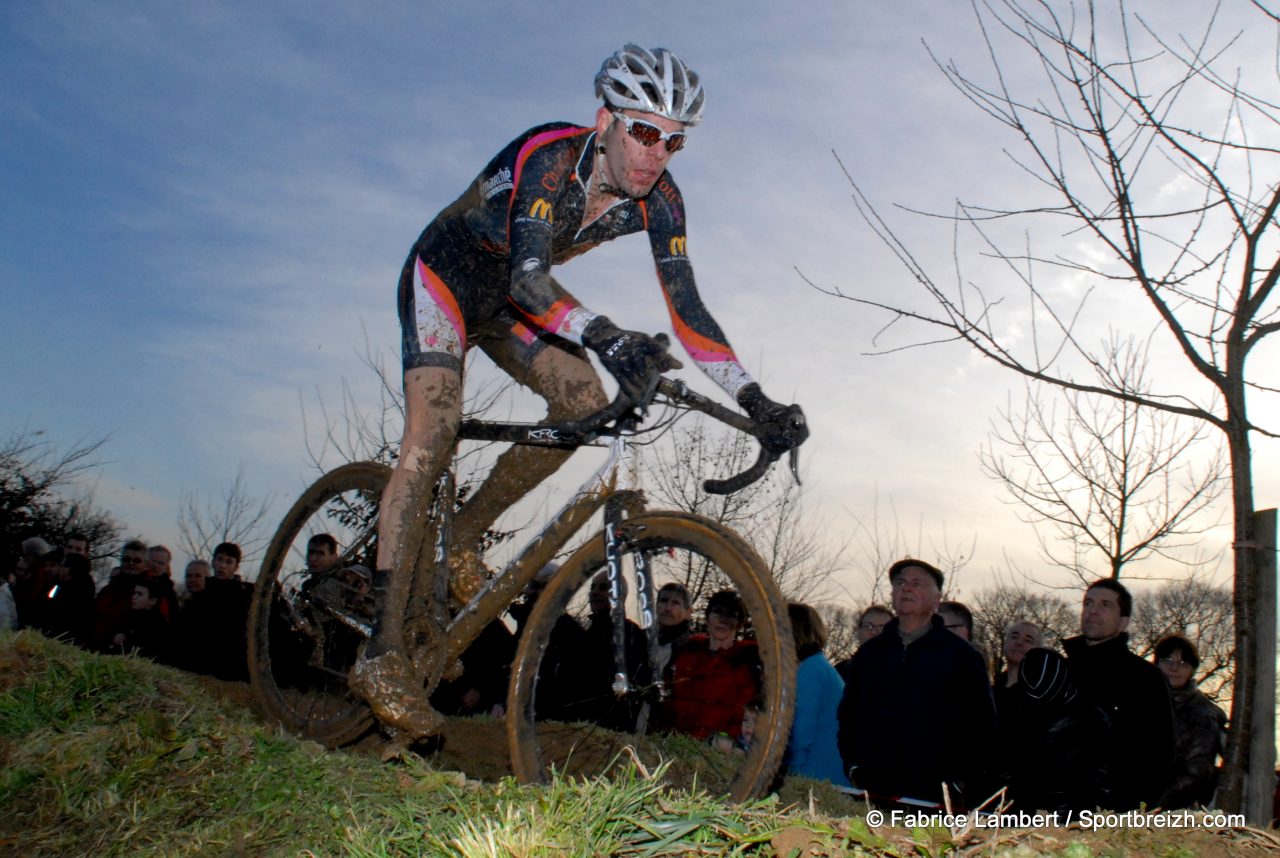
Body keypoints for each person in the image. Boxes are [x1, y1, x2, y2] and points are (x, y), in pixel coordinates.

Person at [348, 43, 808, 737]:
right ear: (606, 120)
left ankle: (462, 541)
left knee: (585, 405)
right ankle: (379, 652)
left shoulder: (661, 202)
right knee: (433, 434)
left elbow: (690, 312)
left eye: (675, 141)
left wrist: (755, 399)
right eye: (645, 132)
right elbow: (532, 277)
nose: (658, 154)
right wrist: (608, 334)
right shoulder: (549, 158)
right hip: (445, 282)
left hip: (509, 308)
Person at [836, 559, 996, 808]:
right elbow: (849, 715)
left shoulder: (962, 657)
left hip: (935, 797)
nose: (906, 588)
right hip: (875, 792)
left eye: (916, 583)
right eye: (900, 583)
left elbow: (982, 725)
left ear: (936, 600)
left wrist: (959, 782)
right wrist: (854, 766)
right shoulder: (869, 655)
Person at [1062, 578, 1174, 811]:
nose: (1093, 611)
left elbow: (1159, 756)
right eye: (1088, 603)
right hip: (1049, 812)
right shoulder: (1060, 672)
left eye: (1105, 605)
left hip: (1112, 814)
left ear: (1124, 622)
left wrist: (1127, 813)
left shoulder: (1146, 678)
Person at [1006, 647, 1114, 814]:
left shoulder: (1090, 718)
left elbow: (1100, 778)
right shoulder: (1014, 706)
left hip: (1073, 814)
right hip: (1023, 810)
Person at [663, 590, 761, 740]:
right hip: (677, 742)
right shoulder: (688, 651)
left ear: (739, 624)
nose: (722, 620)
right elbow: (673, 698)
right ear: (708, 617)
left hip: (718, 750)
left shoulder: (745, 663)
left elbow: (743, 714)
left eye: (730, 615)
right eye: (718, 612)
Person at [1154, 634, 1227, 809]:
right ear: (1156, 663)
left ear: (1192, 670)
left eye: (1183, 663)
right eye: (1168, 660)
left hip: (1176, 811)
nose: (1174, 667)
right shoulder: (1142, 703)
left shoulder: (1203, 714)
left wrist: (1153, 806)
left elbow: (1197, 774)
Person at [783, 602, 849, 786]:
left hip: (818, 777)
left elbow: (801, 733)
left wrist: (789, 776)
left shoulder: (811, 671)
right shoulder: (815, 667)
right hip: (820, 773)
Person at [834, 604, 891, 682]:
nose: (874, 632)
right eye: (867, 626)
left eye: (882, 627)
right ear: (858, 631)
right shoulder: (841, 672)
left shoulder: (907, 672)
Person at [655, 581, 692, 678]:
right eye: (664, 601)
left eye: (675, 603)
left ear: (688, 612)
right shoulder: (640, 640)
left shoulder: (692, 649)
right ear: (656, 606)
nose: (668, 608)